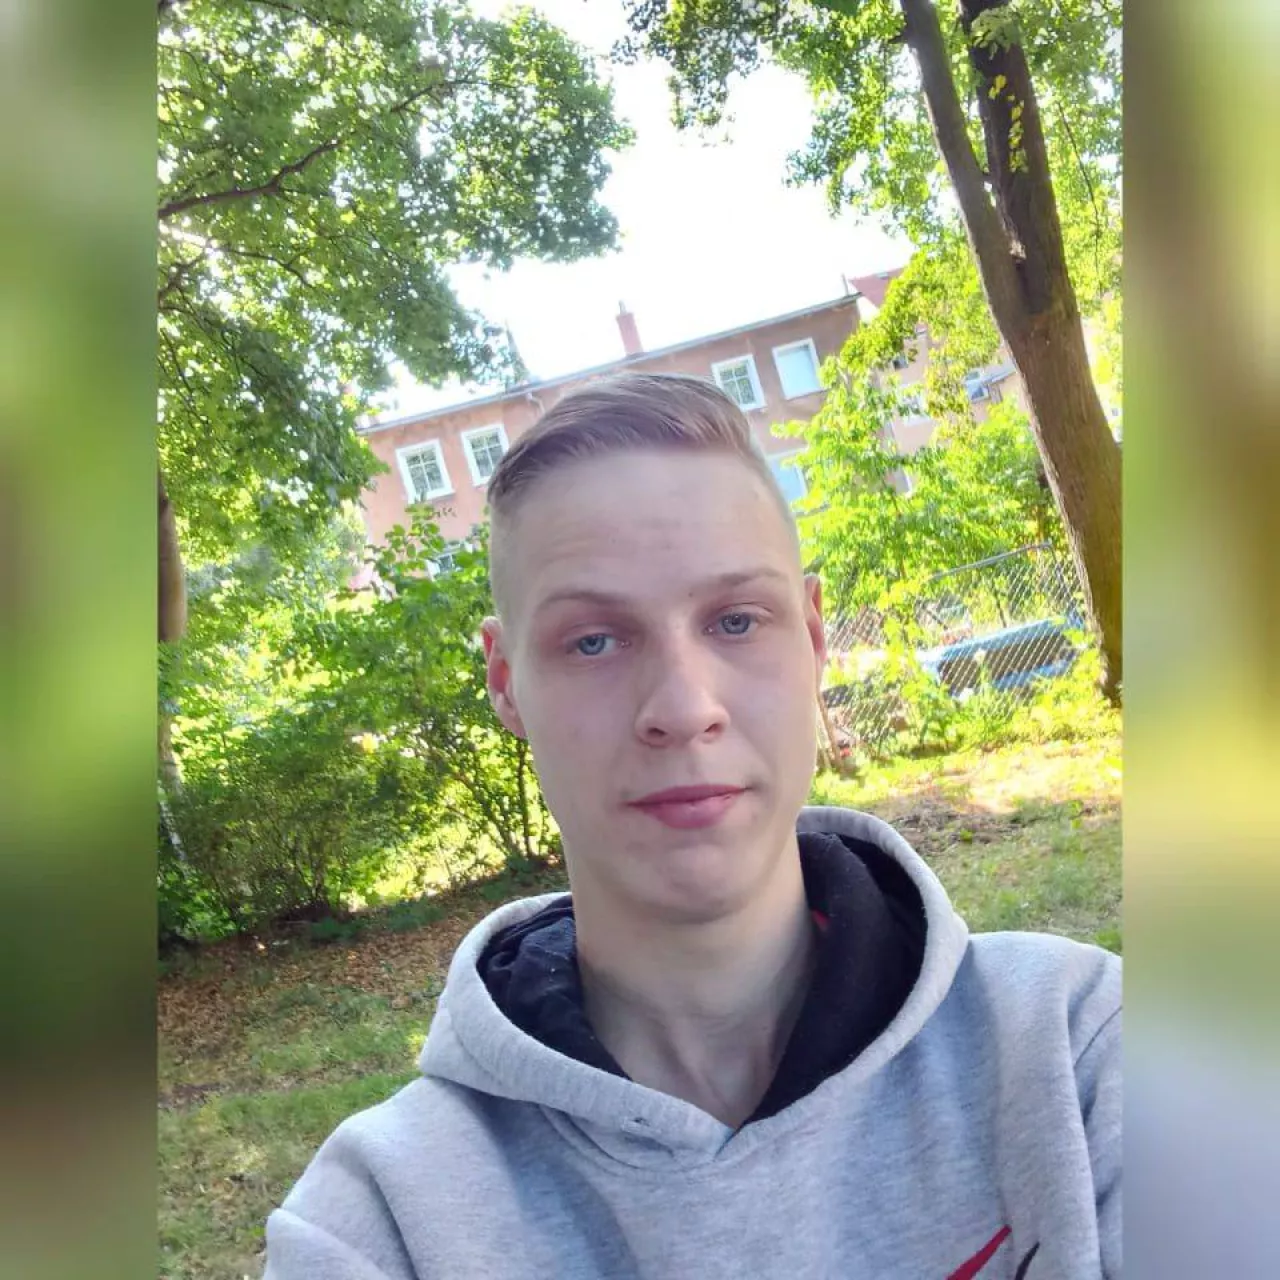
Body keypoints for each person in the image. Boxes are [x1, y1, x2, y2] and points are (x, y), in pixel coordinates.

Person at [265, 373, 1121, 1279]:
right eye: (594, 641)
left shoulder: (1075, 1054)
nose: (682, 708)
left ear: (813, 638)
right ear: (507, 683)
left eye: (736, 621)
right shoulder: (382, 1225)